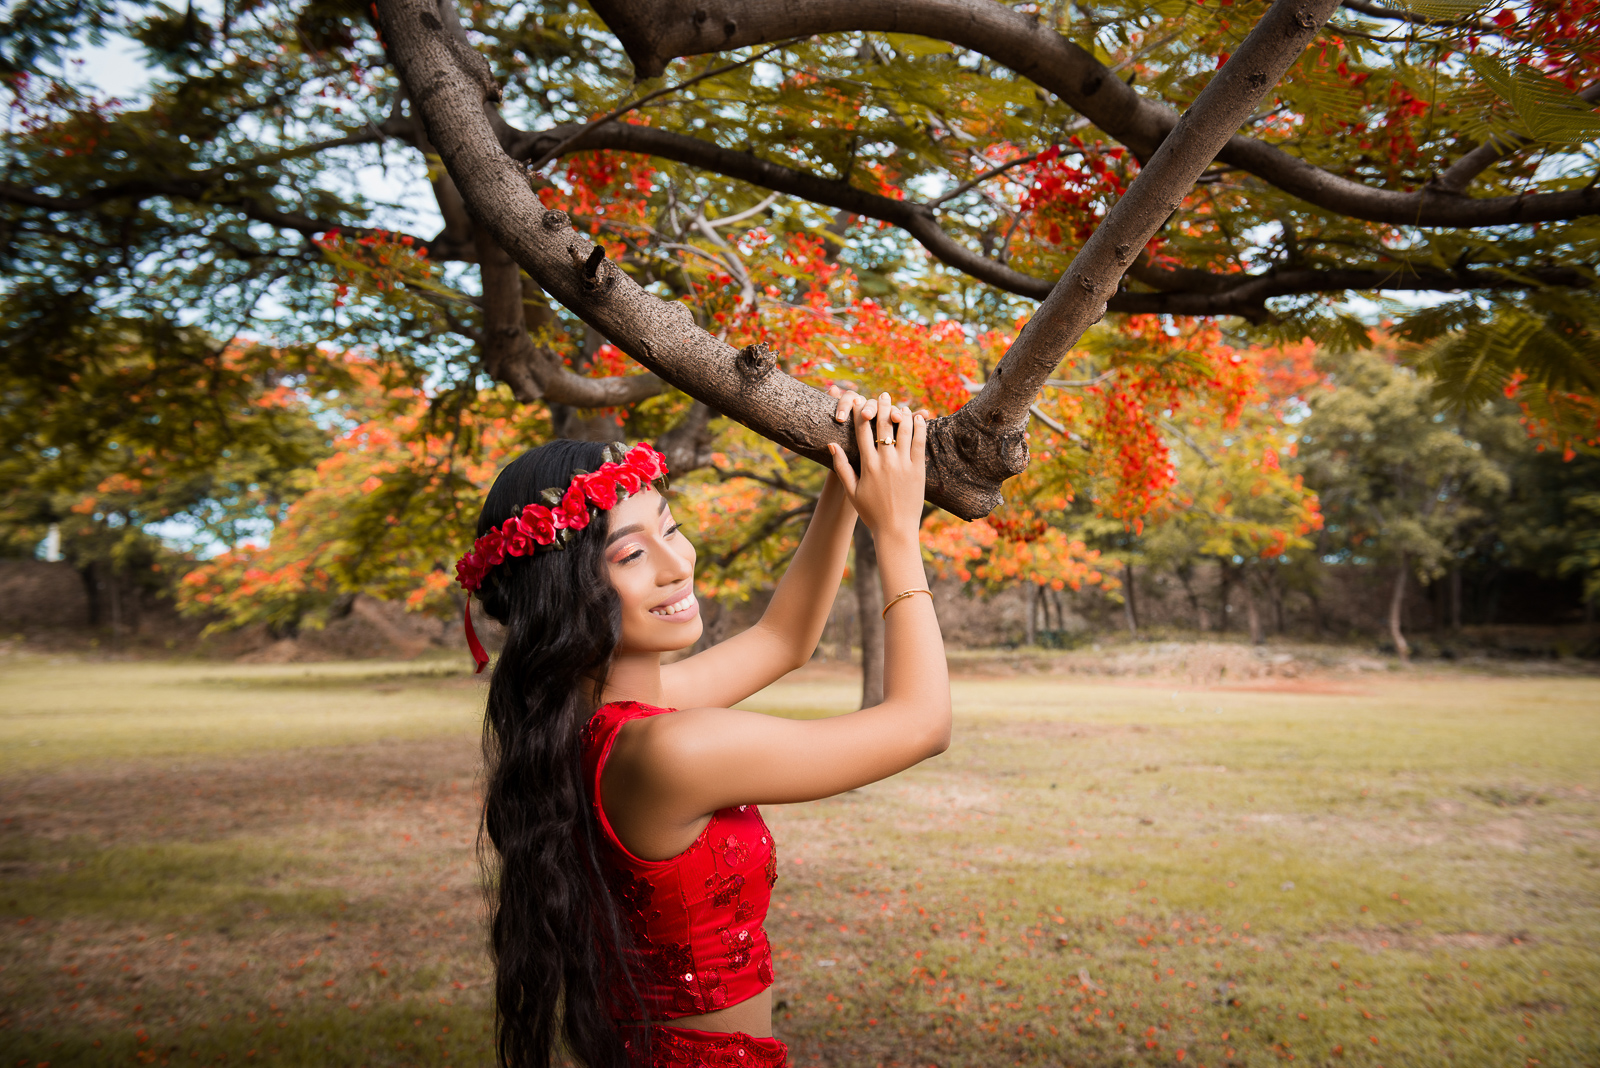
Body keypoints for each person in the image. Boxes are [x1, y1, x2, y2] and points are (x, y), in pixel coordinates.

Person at [456, 391, 951, 1068]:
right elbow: (922, 724)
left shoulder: (588, 723)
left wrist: (845, 476)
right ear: (565, 594)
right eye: (632, 555)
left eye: (671, 527)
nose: (678, 563)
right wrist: (896, 532)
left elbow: (783, 638)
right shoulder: (672, 751)